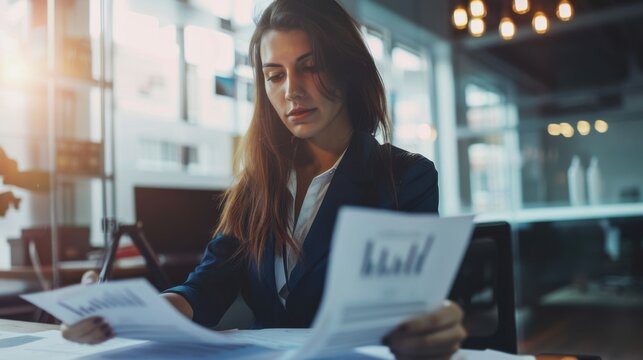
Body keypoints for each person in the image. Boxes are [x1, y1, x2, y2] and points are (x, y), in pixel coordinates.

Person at [62, 0, 467, 358]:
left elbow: (412, 307)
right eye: (275, 75)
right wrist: (126, 314)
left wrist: (432, 321)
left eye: (311, 67)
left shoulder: (405, 177)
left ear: (347, 70)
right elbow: (204, 288)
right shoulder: (256, 187)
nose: (292, 90)